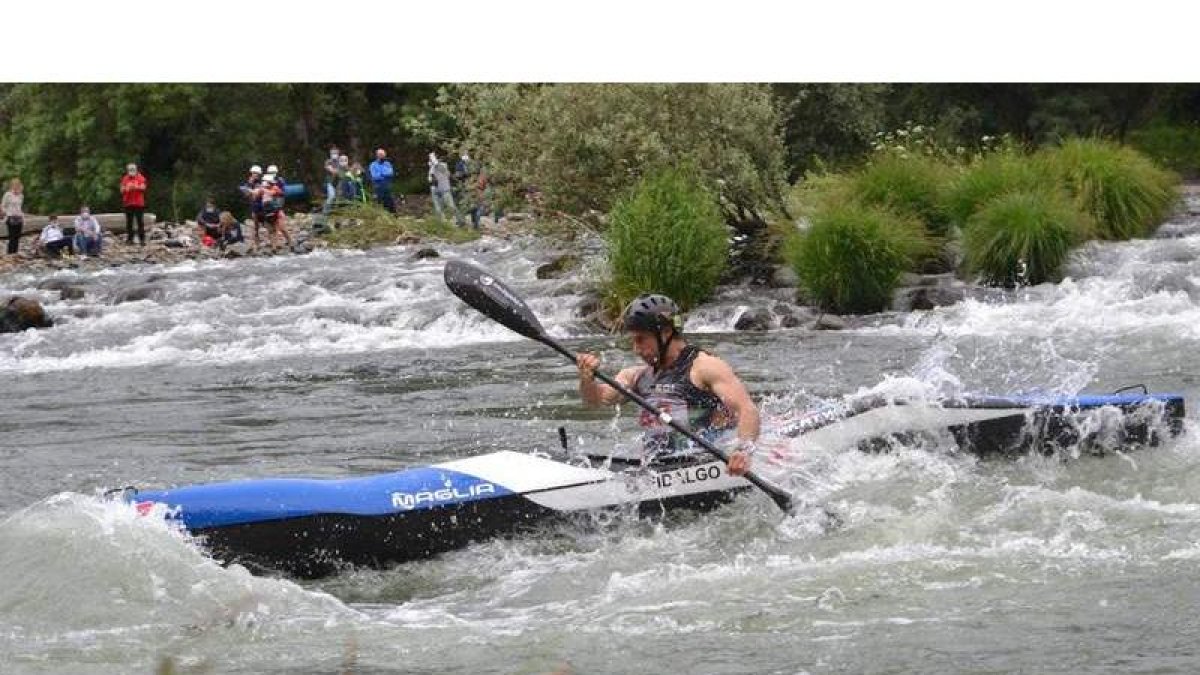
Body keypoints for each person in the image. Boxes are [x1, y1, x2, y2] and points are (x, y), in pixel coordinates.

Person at [575, 294, 759, 476]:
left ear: (666, 333)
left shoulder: (705, 367)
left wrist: (742, 451)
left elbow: (746, 410)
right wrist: (587, 379)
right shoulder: (637, 375)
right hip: (657, 469)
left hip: (702, 467)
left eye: (641, 339)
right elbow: (598, 399)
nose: (636, 349)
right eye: (633, 340)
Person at [120, 163, 148, 246]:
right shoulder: (125, 178)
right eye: (130, 169)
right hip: (128, 203)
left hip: (138, 203)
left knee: (140, 222)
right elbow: (121, 190)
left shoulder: (140, 177)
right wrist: (126, 188)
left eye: (133, 169)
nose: (131, 171)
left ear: (136, 169)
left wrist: (135, 186)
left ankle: (142, 239)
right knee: (129, 222)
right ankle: (130, 239)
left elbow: (143, 187)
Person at [429, 155, 461, 225]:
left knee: (451, 206)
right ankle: (441, 224)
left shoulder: (443, 165)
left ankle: (460, 221)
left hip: (445, 190)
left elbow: (443, 170)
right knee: (438, 209)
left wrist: (435, 162)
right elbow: (431, 179)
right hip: (435, 190)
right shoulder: (432, 167)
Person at [369, 148, 396, 212]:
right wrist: (384, 174)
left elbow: (391, 173)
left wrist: (381, 173)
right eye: (381, 154)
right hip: (378, 186)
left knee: (390, 202)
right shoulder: (373, 165)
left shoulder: (387, 164)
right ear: (377, 155)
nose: (382, 156)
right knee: (380, 202)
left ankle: (392, 215)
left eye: (384, 154)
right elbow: (375, 176)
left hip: (387, 186)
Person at [3, 178, 24, 255]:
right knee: (12, 237)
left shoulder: (21, 195)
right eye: (14, 185)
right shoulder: (7, 194)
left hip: (19, 217)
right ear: (12, 186)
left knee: (17, 237)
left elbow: (20, 207)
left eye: (17, 185)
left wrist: (22, 217)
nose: (16, 187)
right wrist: (7, 213)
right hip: (10, 217)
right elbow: (2, 206)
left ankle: (15, 254)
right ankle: (10, 254)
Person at [323, 146, 341, 215]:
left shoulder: (340, 161)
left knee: (339, 197)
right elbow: (331, 170)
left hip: (339, 182)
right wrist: (338, 171)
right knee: (331, 196)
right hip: (330, 182)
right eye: (333, 153)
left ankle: (335, 211)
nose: (334, 155)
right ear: (330, 154)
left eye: (336, 153)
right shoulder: (328, 162)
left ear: (338, 153)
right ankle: (325, 211)